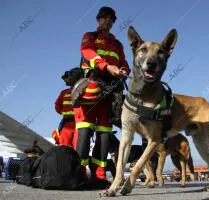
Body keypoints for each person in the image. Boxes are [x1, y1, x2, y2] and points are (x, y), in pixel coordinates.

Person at [73, 6, 130, 187]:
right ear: (99, 20)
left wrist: (123, 71)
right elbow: (87, 52)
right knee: (84, 129)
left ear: (113, 22)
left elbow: (124, 63)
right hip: (91, 88)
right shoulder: (89, 36)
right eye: (104, 18)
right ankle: (79, 175)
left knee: (105, 134)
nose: (107, 21)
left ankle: (98, 175)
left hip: (111, 91)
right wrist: (106, 66)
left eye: (110, 19)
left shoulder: (118, 44)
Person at [54, 68, 82, 147]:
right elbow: (57, 105)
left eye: (66, 78)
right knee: (64, 146)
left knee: (78, 147)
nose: (65, 80)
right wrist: (65, 113)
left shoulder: (82, 90)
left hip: (79, 124)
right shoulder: (64, 92)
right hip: (67, 124)